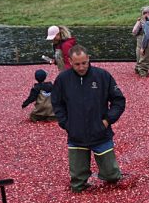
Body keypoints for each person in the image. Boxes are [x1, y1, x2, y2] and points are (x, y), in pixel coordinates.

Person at [51, 45, 126, 192]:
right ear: (70, 61)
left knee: (112, 175)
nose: (81, 67)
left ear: (88, 59)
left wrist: (107, 120)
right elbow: (57, 104)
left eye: (84, 63)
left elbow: (119, 101)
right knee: (77, 182)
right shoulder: (62, 79)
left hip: (100, 133)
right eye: (77, 64)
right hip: (76, 135)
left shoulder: (102, 76)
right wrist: (66, 123)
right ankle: (80, 189)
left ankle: (109, 177)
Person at [131, 7, 147, 72]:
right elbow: (134, 32)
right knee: (140, 54)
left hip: (146, 40)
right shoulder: (141, 21)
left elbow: (134, 32)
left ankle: (140, 68)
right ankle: (139, 68)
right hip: (143, 39)